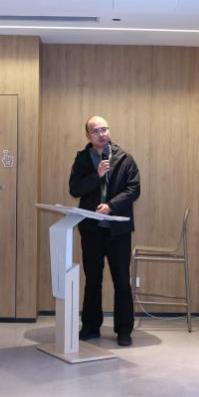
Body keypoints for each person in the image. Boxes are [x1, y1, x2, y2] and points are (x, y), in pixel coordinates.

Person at [68, 116, 141, 346]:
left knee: (121, 280)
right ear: (88, 136)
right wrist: (96, 176)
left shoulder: (124, 158)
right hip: (92, 230)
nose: (102, 134)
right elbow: (74, 189)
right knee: (92, 280)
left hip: (118, 230)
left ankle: (124, 330)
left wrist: (111, 206)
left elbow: (134, 189)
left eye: (104, 129)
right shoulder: (82, 160)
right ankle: (90, 326)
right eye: (96, 131)